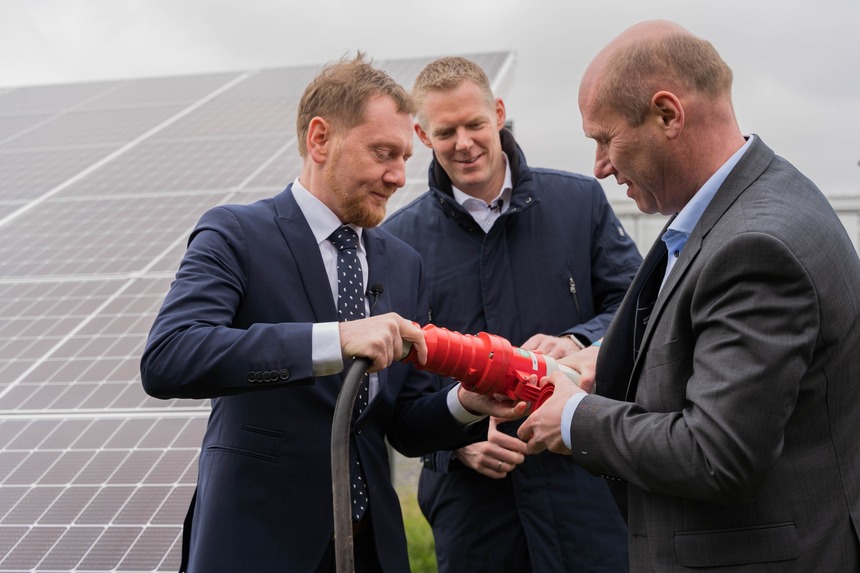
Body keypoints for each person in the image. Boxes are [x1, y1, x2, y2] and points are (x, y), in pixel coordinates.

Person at [140, 53, 525, 573]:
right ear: (320, 139)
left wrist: (466, 402)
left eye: (405, 158)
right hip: (257, 544)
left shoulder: (403, 262)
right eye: (383, 153)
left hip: (370, 548)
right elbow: (169, 357)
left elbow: (406, 423)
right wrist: (335, 339)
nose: (397, 176)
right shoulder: (236, 233)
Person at [518, 20, 860, 571]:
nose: (600, 166)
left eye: (606, 139)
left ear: (668, 115)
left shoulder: (756, 246)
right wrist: (600, 360)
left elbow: (718, 453)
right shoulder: (747, 202)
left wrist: (573, 418)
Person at [382, 56, 641, 572]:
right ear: (421, 133)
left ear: (498, 113)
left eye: (475, 124)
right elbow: (400, 402)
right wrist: (456, 447)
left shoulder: (578, 202)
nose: (464, 142)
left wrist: (578, 341)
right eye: (445, 130)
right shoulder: (398, 244)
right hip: (477, 512)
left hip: (584, 486)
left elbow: (640, 308)